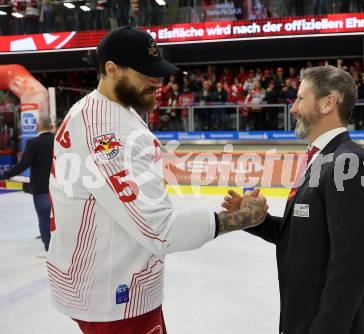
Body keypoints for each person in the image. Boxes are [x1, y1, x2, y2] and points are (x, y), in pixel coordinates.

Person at [48, 26, 268, 334]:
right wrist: (242, 218)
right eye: (146, 72)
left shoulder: (101, 109)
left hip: (104, 282)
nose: (158, 81)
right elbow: (160, 230)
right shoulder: (109, 133)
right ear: (112, 69)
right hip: (115, 295)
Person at [223, 66, 364, 334]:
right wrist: (254, 220)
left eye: (300, 98)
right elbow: (303, 235)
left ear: (327, 103)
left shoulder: (351, 164)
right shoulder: (320, 158)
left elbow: (349, 268)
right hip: (304, 315)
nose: (293, 109)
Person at [0, 115, 54, 255]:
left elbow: (23, 164)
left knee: (43, 217)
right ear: (52, 126)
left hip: (41, 188)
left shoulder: (33, 143)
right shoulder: (58, 140)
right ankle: (56, 245)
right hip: (59, 188)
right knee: (57, 217)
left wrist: (6, 174)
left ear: (38, 126)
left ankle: (49, 248)